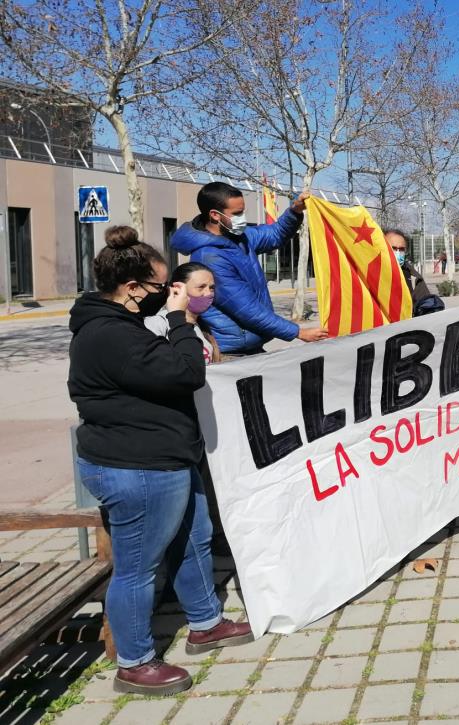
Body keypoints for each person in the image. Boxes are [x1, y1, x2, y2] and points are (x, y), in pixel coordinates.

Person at [68, 226, 252, 696]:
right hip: (136, 467)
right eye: (158, 288)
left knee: (194, 538)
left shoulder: (120, 325)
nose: (166, 295)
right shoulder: (109, 335)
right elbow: (184, 372)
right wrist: (178, 320)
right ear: (131, 289)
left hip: (165, 458)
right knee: (138, 566)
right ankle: (134, 662)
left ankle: (205, 622)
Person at [170, 182, 328, 356]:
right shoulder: (210, 258)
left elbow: (275, 234)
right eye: (237, 213)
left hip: (250, 347)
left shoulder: (238, 237)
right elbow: (248, 310)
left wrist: (295, 211)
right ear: (215, 215)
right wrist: (298, 332)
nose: (242, 218)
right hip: (233, 354)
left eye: (242, 211)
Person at [145, 262, 220, 364]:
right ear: (178, 290)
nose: (209, 293)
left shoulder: (201, 326)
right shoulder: (157, 323)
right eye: (201, 287)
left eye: (212, 288)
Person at [384, 228, 445, 316]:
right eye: (393, 248)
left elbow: (425, 303)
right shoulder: (368, 273)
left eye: (401, 249)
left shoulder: (413, 277)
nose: (397, 253)